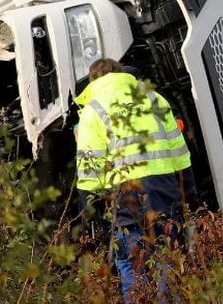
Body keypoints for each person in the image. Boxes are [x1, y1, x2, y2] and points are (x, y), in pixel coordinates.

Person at [74, 58, 195, 301]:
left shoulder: (93, 109)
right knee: (166, 257)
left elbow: (90, 166)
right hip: (163, 189)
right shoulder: (154, 98)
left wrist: (86, 210)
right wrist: (190, 190)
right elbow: (179, 149)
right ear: (122, 73)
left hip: (125, 195)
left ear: (93, 81)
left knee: (132, 263)